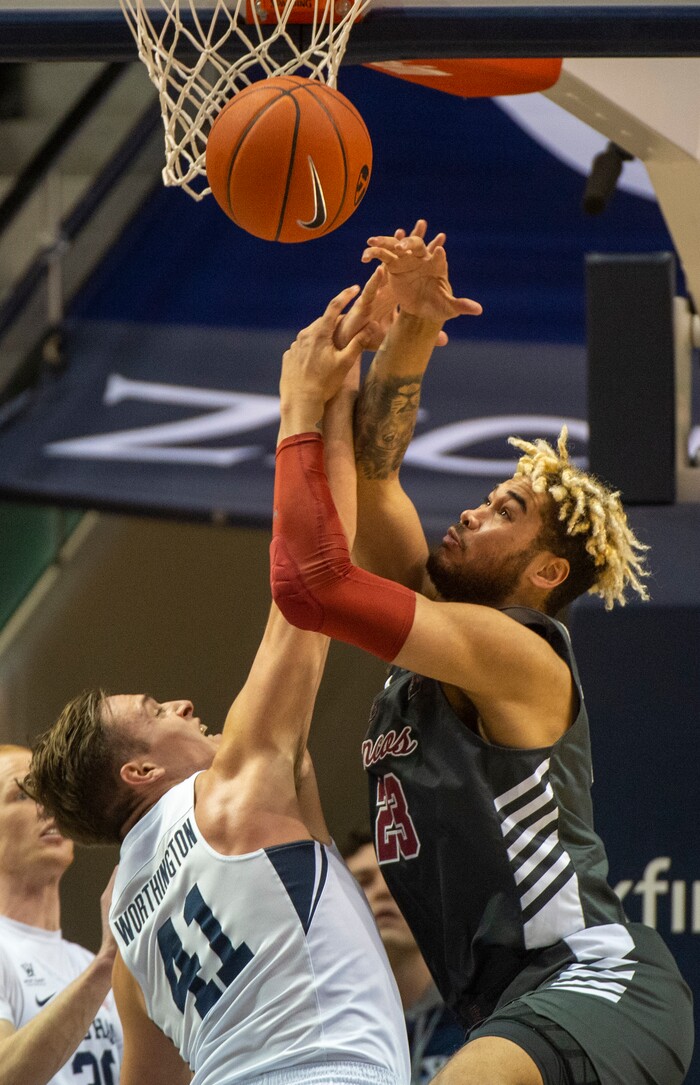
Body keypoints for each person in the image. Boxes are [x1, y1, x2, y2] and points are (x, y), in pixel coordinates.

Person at [267, 224, 694, 1085]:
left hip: (593, 981)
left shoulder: (518, 651)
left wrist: (297, 415)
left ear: (545, 570)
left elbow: (317, 582)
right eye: (490, 493)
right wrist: (415, 328)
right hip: (508, 1001)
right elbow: (381, 477)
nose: (471, 510)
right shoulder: (443, 629)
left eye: (506, 508)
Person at [23, 372, 411, 1085]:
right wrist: (307, 405)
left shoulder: (125, 917)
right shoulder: (233, 788)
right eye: (152, 710)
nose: (177, 704)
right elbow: (310, 579)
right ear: (138, 771)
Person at [0, 743, 122, 1085]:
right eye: (22, 795)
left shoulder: (88, 962)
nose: (48, 808)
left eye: (50, 793)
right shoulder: (102, 967)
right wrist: (108, 962)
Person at [342, 830, 464, 1085]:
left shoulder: (479, 1011)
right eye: (363, 882)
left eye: (397, 878)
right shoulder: (336, 1028)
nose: (383, 891)